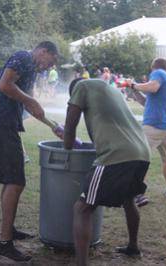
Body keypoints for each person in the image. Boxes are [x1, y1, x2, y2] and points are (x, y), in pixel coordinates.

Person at [0, 41, 59, 261]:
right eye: (50, 62)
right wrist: (29, 98)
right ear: (43, 51)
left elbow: (30, 106)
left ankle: (10, 230)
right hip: (0, 125)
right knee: (16, 182)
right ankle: (5, 243)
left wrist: (53, 125)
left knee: (11, 181)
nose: (48, 67)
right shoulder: (23, 57)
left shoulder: (30, 69)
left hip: (5, 126)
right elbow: (5, 84)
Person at [64, 78, 150, 266]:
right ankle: (133, 247)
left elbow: (70, 124)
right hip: (142, 152)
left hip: (117, 155)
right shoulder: (110, 90)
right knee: (129, 199)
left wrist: (67, 146)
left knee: (82, 208)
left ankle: (81, 264)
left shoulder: (81, 86)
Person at [128, 58, 166, 206]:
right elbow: (146, 102)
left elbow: (153, 87)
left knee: (140, 158)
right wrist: (133, 91)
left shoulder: (159, 73)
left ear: (154, 68)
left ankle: (138, 194)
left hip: (154, 126)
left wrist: (133, 84)